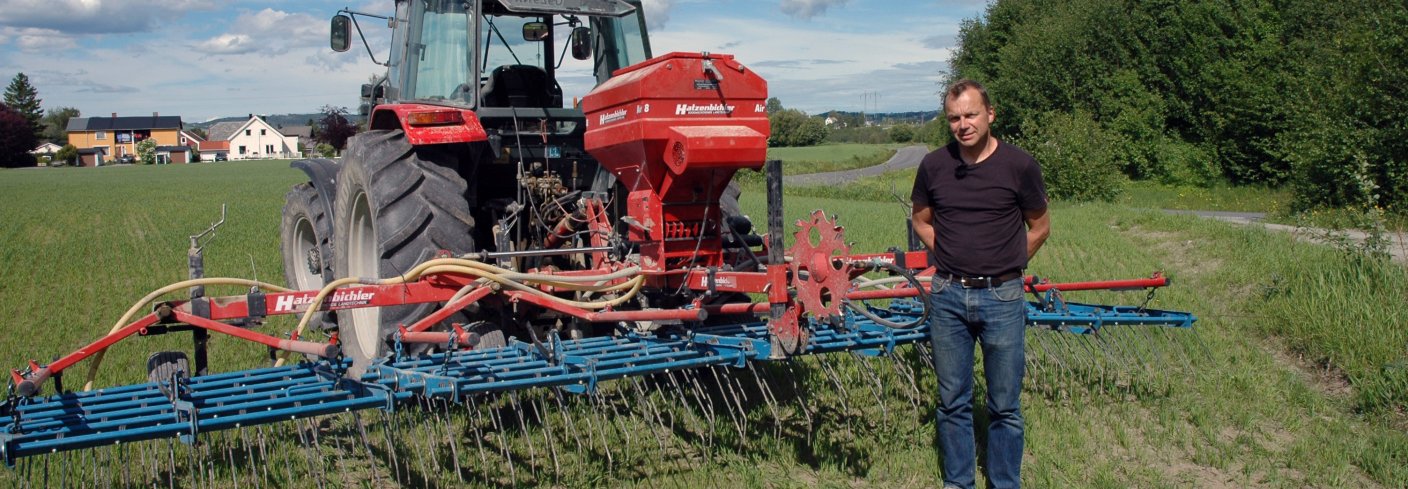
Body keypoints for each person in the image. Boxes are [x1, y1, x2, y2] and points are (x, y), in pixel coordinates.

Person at [910, 79, 1050, 489]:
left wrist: (1007, 262)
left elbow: (1040, 227)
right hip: (949, 296)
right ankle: (959, 483)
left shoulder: (1019, 166)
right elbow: (921, 220)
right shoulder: (934, 165)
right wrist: (951, 253)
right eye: (954, 117)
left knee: (1004, 405)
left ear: (991, 114)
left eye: (971, 114)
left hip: (1002, 296)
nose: (963, 124)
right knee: (952, 401)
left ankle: (1004, 483)